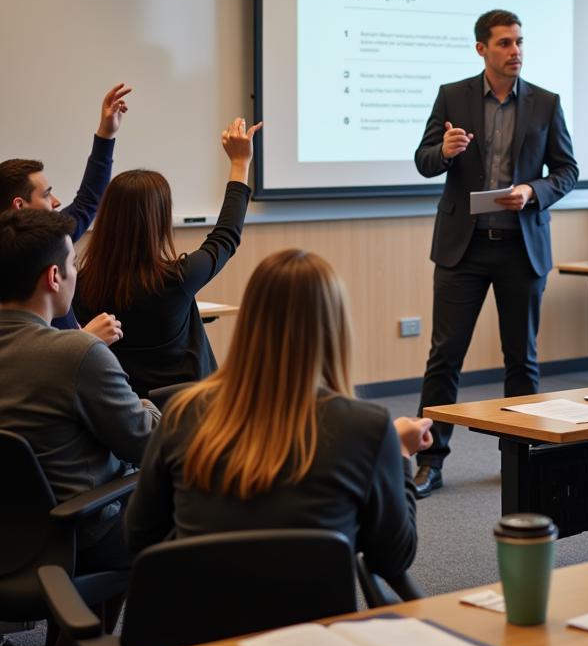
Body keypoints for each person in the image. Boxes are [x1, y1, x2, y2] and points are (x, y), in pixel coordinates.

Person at [125, 249, 432, 585]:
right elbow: (393, 559)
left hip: (200, 631)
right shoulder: (367, 428)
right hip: (311, 633)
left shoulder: (184, 413)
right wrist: (401, 455)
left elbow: (141, 536)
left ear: (250, 322)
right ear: (335, 328)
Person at [0, 209, 158, 646]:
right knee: (158, 500)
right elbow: (144, 437)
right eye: (73, 264)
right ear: (53, 277)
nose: (76, 274)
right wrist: (152, 405)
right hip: (69, 536)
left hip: (13, 535)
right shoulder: (76, 351)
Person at [411, 9, 578, 498]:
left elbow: (566, 171)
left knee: (521, 360)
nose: (516, 51)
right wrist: (444, 152)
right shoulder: (453, 97)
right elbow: (423, 161)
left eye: (520, 42)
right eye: (505, 43)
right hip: (463, 249)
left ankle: (519, 456)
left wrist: (532, 190)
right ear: (482, 48)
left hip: (521, 247)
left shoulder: (546, 103)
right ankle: (431, 461)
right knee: (445, 358)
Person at [72, 117, 260, 398]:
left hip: (121, 423)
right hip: (189, 416)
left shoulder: (79, 286)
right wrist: (240, 164)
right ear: (158, 222)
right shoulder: (178, 279)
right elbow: (226, 237)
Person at [0, 82, 131, 338]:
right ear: (20, 205)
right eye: (47, 194)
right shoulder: (25, 253)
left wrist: (106, 136)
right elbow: (28, 354)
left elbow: (87, 201)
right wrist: (86, 341)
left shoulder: (50, 237)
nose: (57, 202)